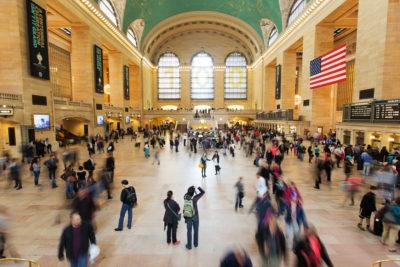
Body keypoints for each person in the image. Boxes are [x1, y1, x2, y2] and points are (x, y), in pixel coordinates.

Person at [183, 186, 205, 250]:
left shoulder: (185, 197)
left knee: (189, 231)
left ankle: (189, 246)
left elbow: (187, 193)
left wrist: (190, 188)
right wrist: (197, 187)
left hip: (188, 216)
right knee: (196, 230)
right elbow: (203, 192)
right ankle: (195, 244)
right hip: (195, 216)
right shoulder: (195, 198)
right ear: (193, 193)